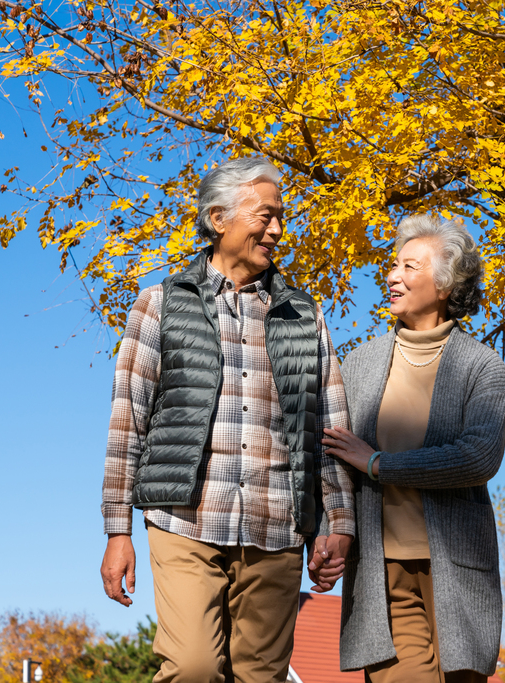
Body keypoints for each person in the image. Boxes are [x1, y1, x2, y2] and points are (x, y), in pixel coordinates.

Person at [99, 157, 355, 683]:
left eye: (281, 217)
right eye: (266, 216)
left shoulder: (305, 316)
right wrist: (116, 530)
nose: (278, 230)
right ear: (219, 219)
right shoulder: (160, 305)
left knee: (261, 677)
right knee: (193, 667)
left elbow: (330, 426)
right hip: (185, 519)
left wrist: (338, 523)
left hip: (276, 525)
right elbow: (128, 422)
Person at [319, 214, 505, 682]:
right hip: (383, 572)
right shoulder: (360, 363)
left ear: (445, 285)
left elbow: (478, 457)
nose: (392, 276)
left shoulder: (480, 366)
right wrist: (330, 532)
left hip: (458, 570)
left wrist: (381, 464)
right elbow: (336, 455)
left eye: (409, 267)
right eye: (393, 266)